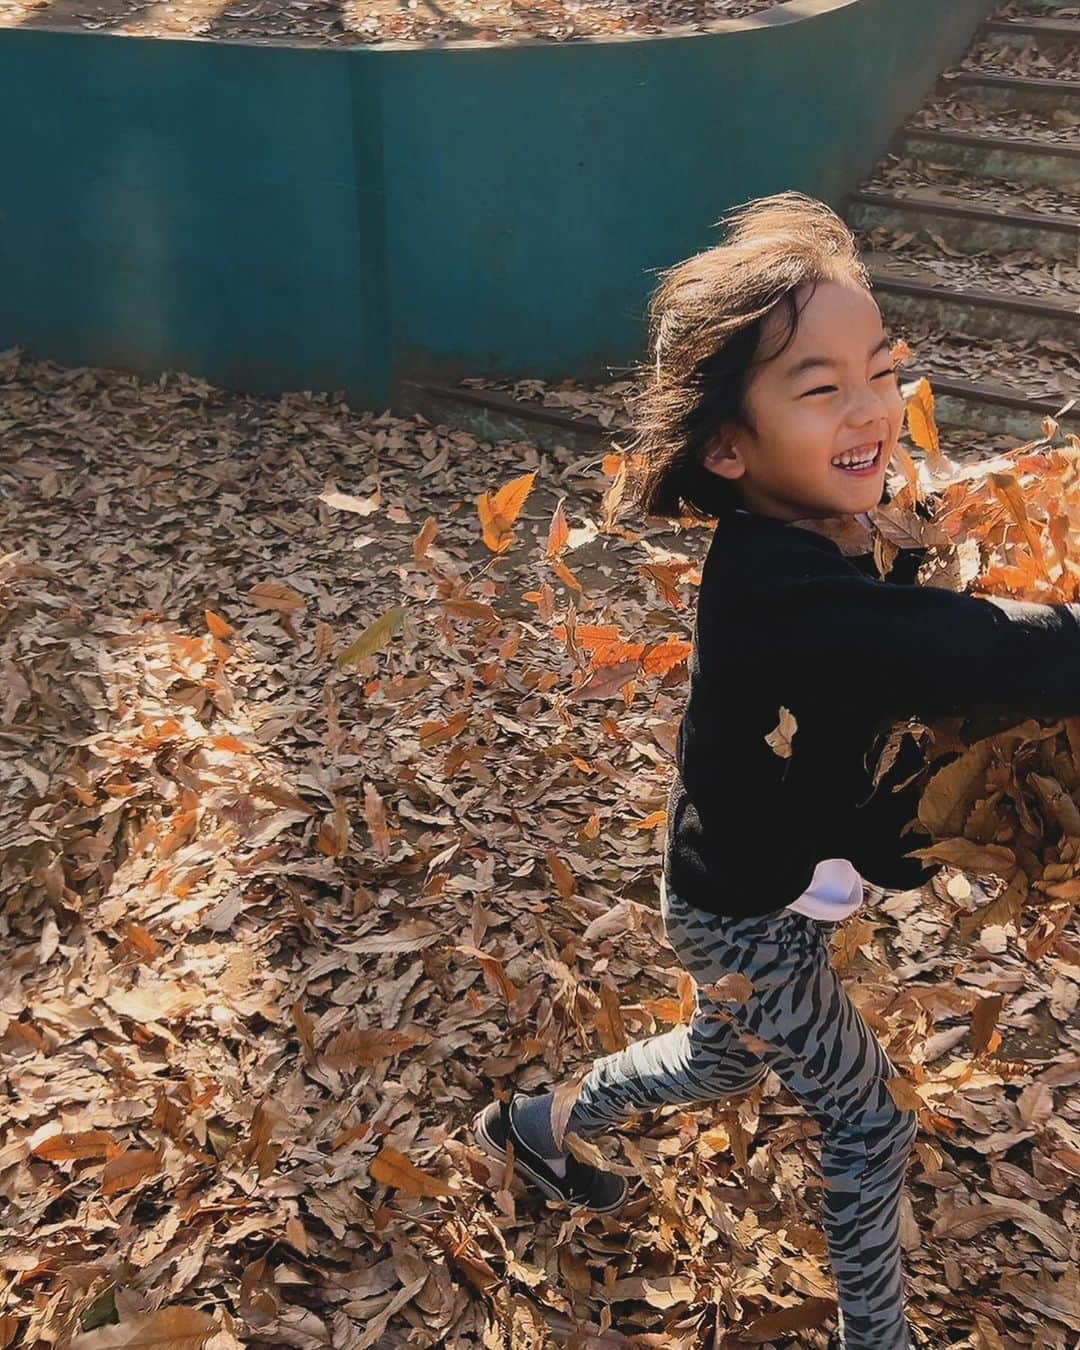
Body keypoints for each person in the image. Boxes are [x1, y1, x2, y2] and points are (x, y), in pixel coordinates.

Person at [470, 192, 1080, 1349]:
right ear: (726, 447)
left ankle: (534, 1124)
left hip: (760, 884)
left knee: (718, 1058)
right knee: (867, 1125)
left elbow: (912, 576)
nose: (873, 410)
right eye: (821, 387)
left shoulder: (827, 525)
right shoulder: (774, 590)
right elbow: (957, 652)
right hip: (743, 909)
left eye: (884, 370)